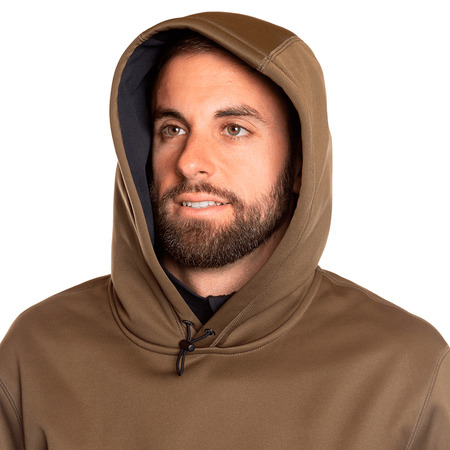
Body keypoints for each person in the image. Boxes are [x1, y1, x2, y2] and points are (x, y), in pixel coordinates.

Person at [0, 11, 448, 449]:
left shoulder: (407, 374)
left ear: (299, 166)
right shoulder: (36, 354)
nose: (191, 161)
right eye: (172, 128)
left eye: (233, 129)